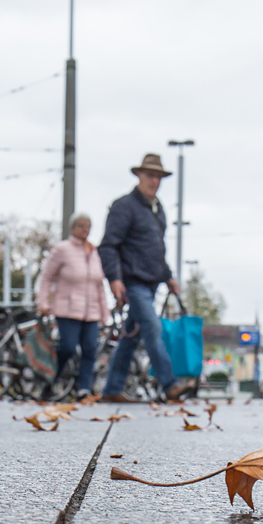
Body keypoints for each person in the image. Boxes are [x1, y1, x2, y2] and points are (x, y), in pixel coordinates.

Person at [97, 153, 194, 403]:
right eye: (150, 175)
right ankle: (170, 384)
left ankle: (112, 389)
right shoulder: (124, 206)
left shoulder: (157, 209)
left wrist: (169, 277)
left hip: (152, 282)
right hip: (133, 281)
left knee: (131, 336)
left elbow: (156, 249)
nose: (155, 181)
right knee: (152, 327)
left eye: (158, 177)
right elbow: (108, 246)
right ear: (139, 175)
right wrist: (114, 279)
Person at [38, 213, 108, 399]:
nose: (85, 229)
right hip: (67, 309)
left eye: (89, 225)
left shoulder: (94, 252)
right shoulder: (62, 250)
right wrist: (43, 302)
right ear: (72, 227)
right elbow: (47, 277)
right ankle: (51, 378)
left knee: (90, 349)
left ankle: (84, 389)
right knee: (67, 347)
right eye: (81, 225)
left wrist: (105, 313)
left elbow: (99, 285)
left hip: (91, 311)